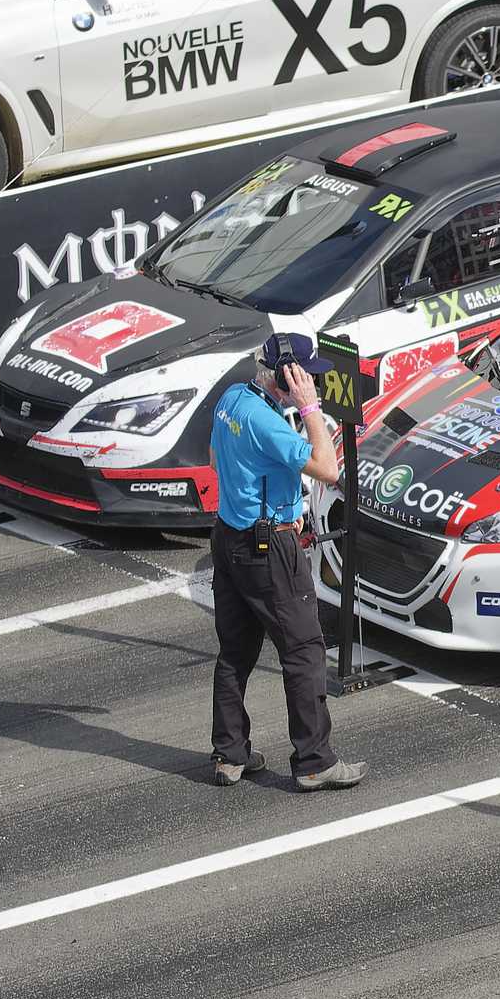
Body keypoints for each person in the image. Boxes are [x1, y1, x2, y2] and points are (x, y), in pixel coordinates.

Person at [208, 333, 365, 793]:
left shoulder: (230, 399)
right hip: (268, 546)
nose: (309, 381)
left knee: (235, 652)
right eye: (302, 375)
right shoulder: (268, 422)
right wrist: (311, 408)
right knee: (303, 650)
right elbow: (327, 467)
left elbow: (217, 459)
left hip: (229, 535)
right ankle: (314, 760)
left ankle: (229, 754)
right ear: (285, 376)